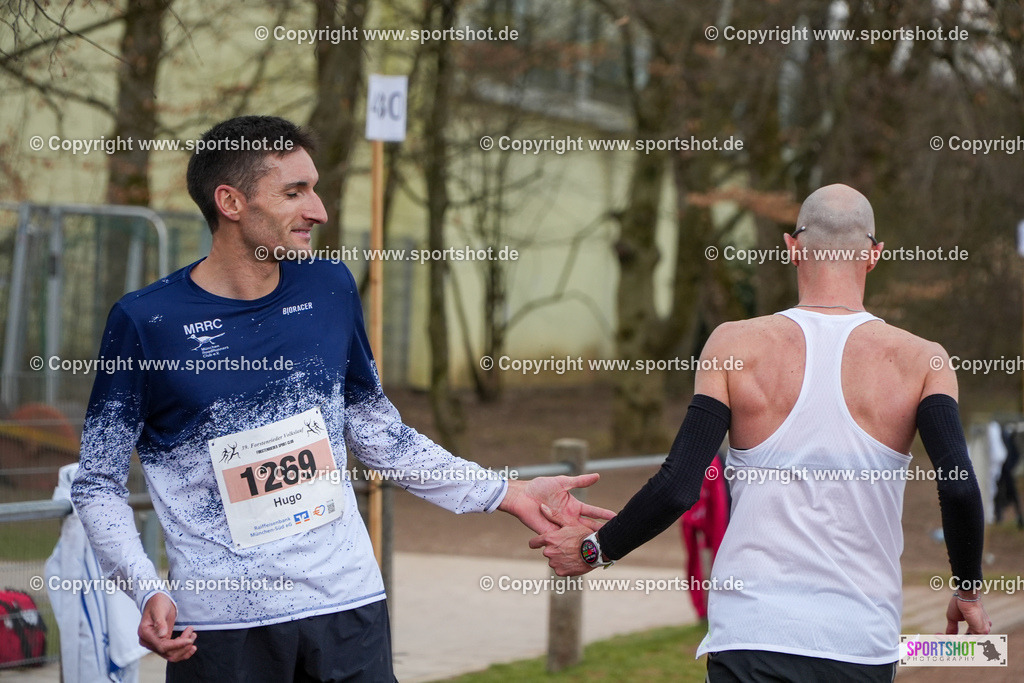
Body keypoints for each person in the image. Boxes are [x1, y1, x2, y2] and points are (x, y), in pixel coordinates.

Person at [70, 115, 613, 682]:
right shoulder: (146, 322)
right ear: (230, 202)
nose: (319, 210)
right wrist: (143, 587)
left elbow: (378, 433)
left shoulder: (329, 288)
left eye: (316, 189)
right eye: (294, 192)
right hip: (224, 627)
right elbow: (97, 482)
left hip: (347, 606)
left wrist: (507, 490)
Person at [530, 184, 991, 681]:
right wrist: (966, 589)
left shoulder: (733, 344)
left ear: (792, 248)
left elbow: (679, 484)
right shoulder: (924, 360)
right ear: (873, 256)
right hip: (859, 643)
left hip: (749, 637)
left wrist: (594, 549)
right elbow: (960, 488)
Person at [679, 453, 728, 620]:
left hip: (718, 516)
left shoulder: (715, 460)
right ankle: (705, 610)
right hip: (705, 516)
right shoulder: (698, 458)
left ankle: (713, 608)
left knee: (717, 561)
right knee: (701, 562)